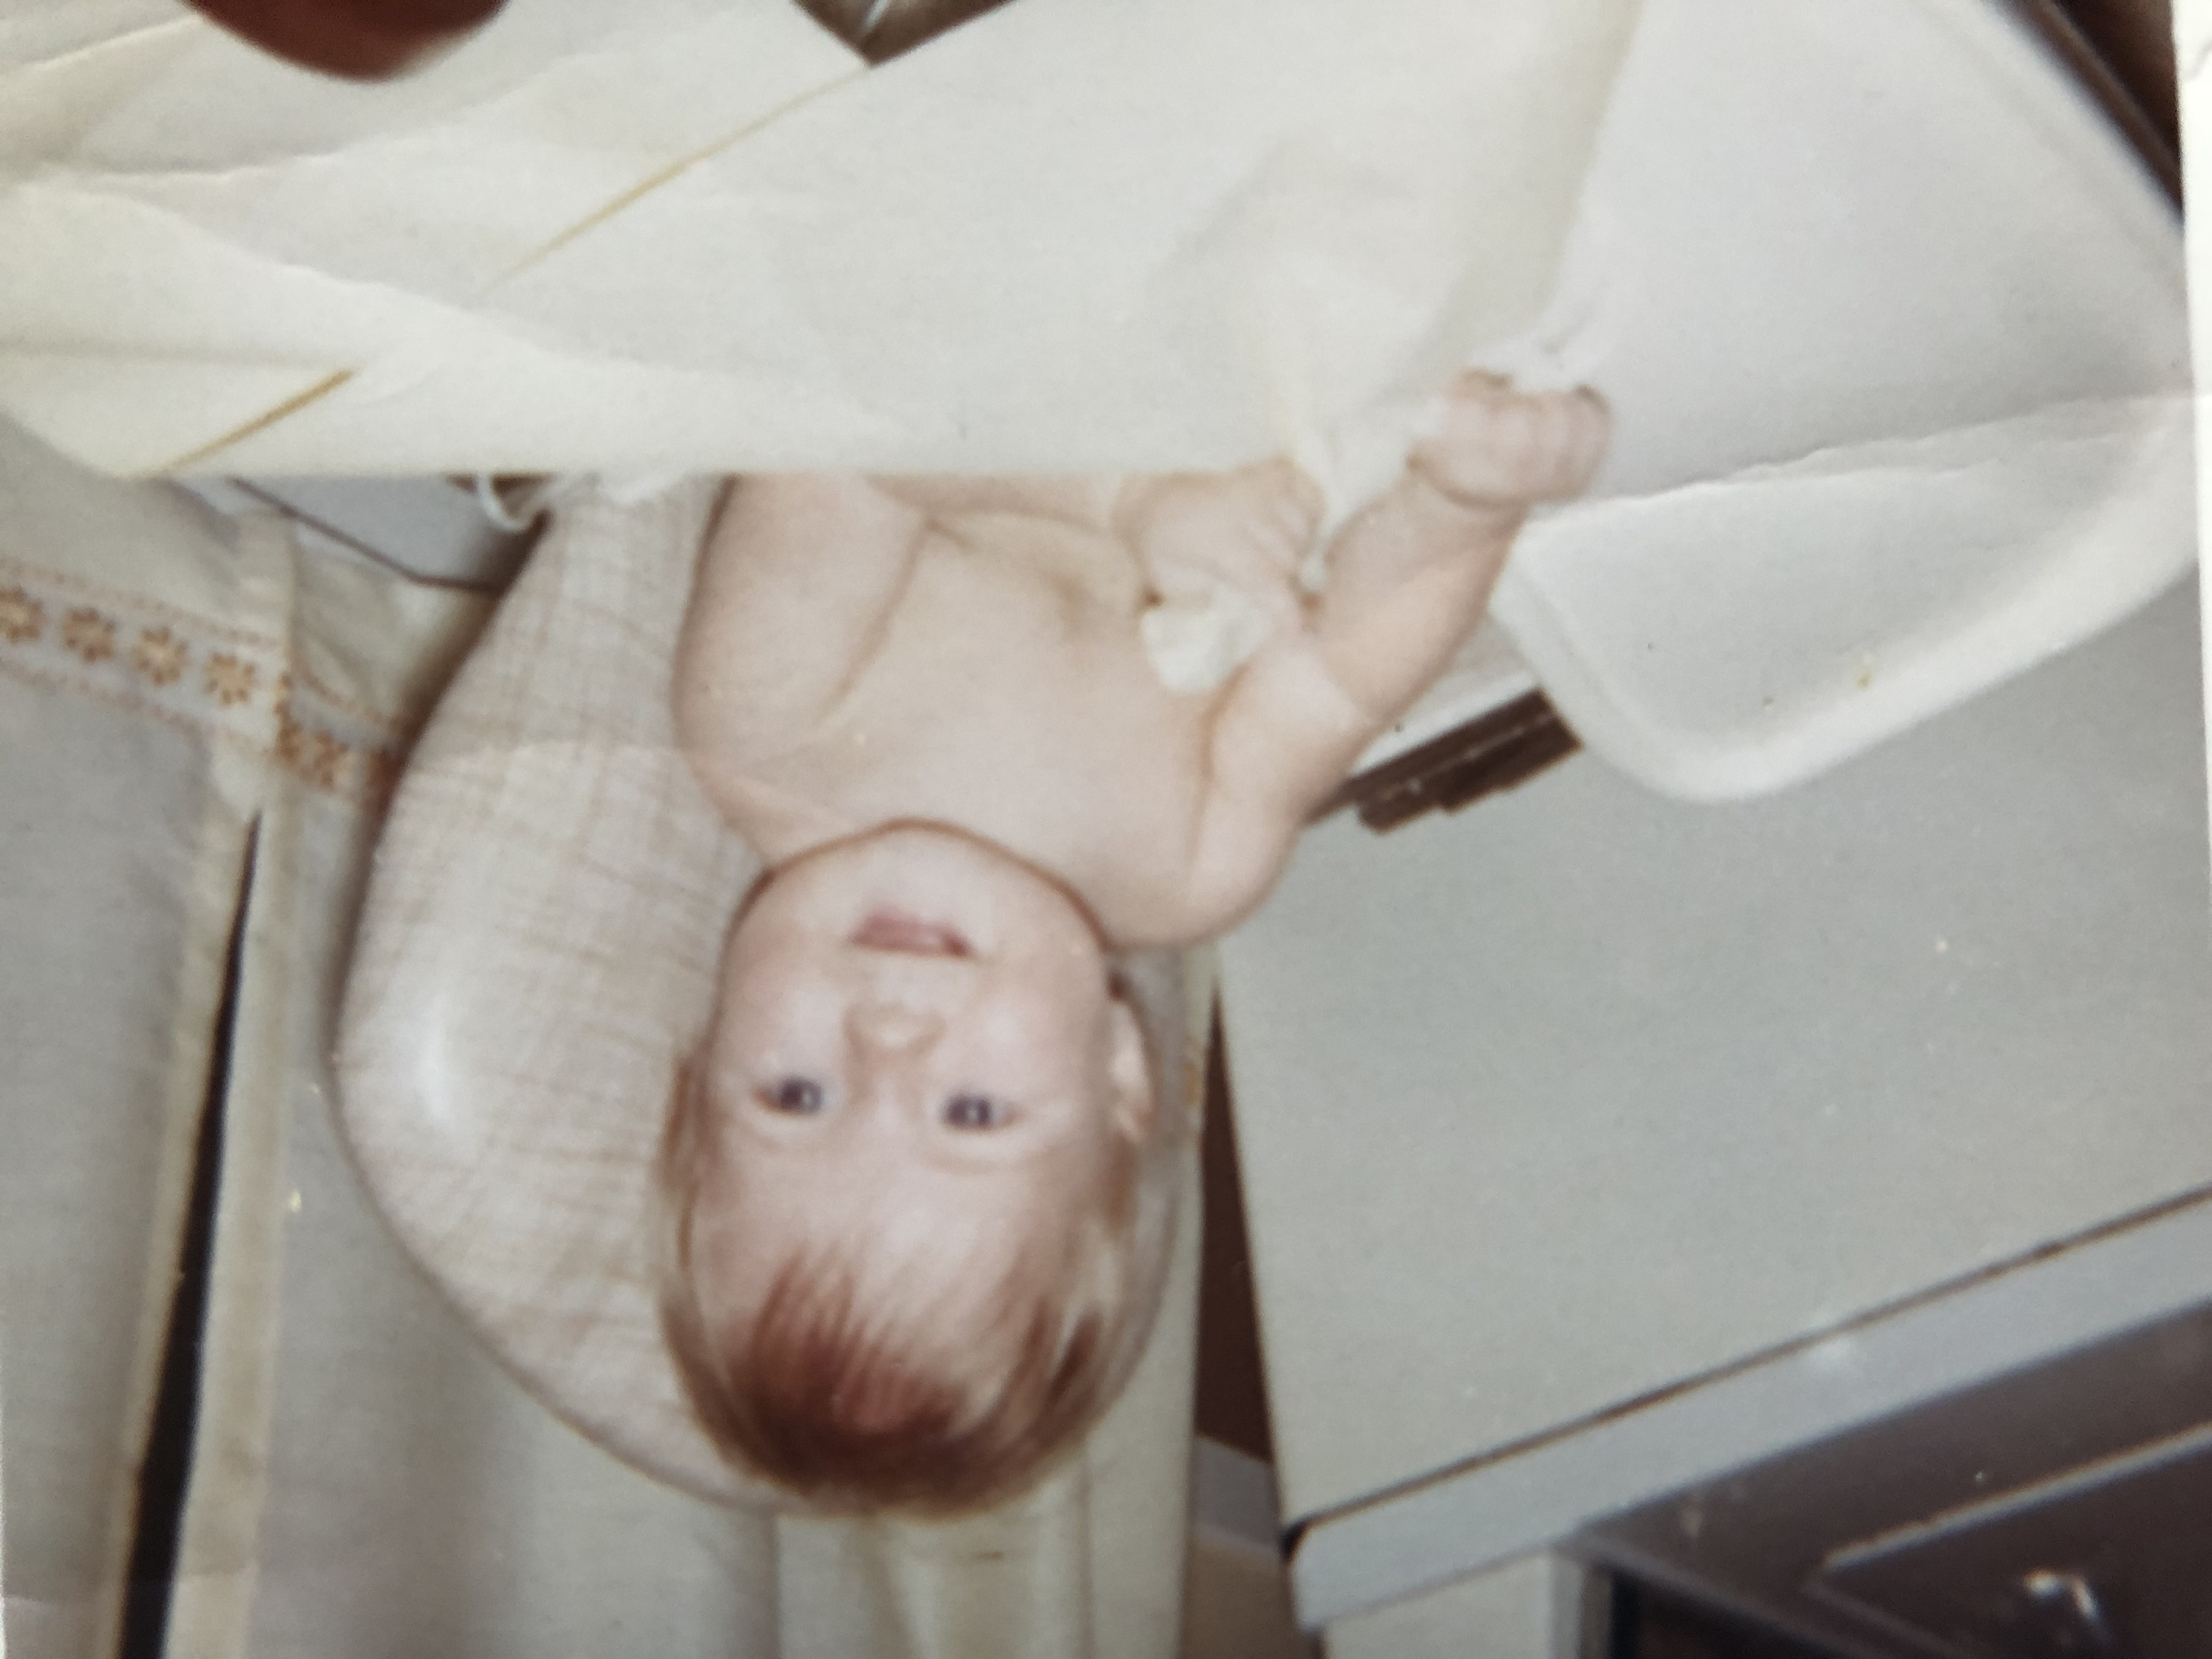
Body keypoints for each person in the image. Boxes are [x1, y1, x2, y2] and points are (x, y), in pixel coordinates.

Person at [659, 370, 1607, 1512]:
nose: (888, 1038)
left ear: (705, 1050)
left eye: (796, 1095)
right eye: (972, 1113)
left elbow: (850, 429)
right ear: (1119, 1071)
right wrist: (1462, 508)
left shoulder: (761, 731)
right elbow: (1339, 674)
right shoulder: (1192, 866)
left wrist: (1126, 500)